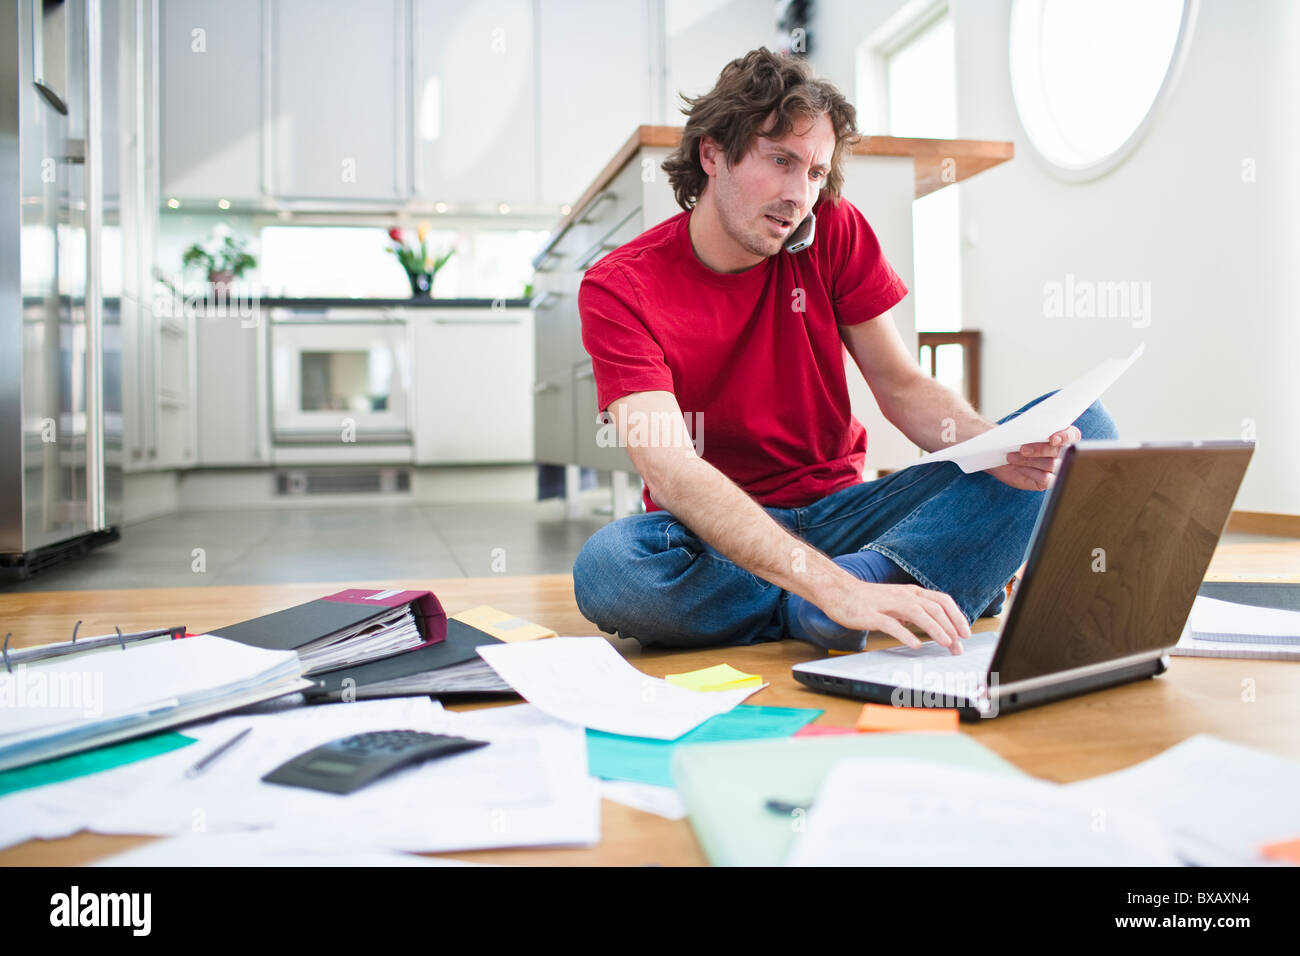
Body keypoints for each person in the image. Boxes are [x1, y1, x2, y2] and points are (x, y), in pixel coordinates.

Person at [572, 48, 1117, 654]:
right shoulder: (620, 286)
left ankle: (868, 586)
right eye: (780, 160)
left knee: (1082, 427)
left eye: (813, 172)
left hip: (845, 510)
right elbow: (670, 471)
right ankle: (894, 581)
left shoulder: (833, 228)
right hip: (716, 536)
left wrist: (997, 450)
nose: (797, 194)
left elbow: (903, 387)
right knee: (612, 568)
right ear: (712, 154)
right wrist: (828, 581)